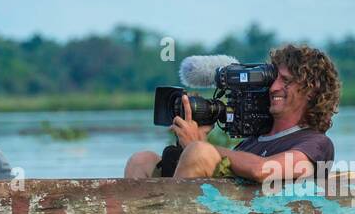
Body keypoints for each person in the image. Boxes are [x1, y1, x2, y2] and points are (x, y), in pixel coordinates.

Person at [124, 44, 340, 185]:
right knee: (142, 160)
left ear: (311, 91)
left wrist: (199, 147)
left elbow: (263, 169)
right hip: (216, 211)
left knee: (200, 152)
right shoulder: (253, 141)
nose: (273, 87)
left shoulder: (316, 143)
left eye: (286, 80)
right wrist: (193, 142)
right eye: (274, 79)